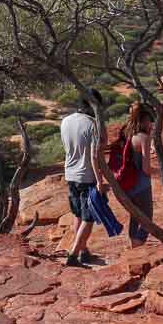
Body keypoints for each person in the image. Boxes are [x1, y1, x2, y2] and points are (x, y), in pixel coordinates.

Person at [60, 90, 105, 267]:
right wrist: (100, 181)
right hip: (86, 176)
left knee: (77, 214)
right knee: (89, 217)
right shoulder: (92, 124)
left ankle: (84, 251)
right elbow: (95, 156)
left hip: (70, 173)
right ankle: (73, 255)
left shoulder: (65, 121)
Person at [123, 100, 155, 246]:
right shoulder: (144, 138)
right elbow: (146, 168)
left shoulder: (127, 134)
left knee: (135, 215)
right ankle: (138, 243)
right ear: (144, 120)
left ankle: (133, 243)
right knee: (147, 218)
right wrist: (159, 172)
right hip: (141, 185)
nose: (151, 124)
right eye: (150, 120)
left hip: (127, 183)